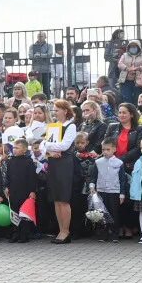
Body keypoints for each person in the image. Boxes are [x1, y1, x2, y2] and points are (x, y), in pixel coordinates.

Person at [41, 99, 80, 243]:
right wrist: (49, 148)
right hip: (54, 163)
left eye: (57, 110)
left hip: (64, 163)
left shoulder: (71, 126)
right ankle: (60, 229)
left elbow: (64, 145)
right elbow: (41, 146)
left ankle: (66, 231)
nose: (55, 112)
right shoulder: (54, 126)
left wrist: (47, 145)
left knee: (63, 199)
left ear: (65, 110)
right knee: (56, 199)